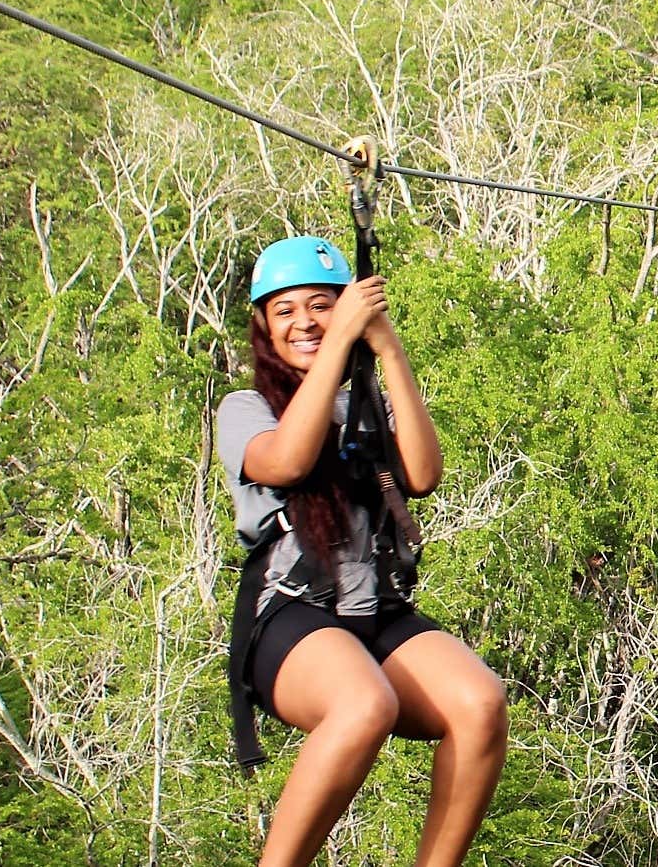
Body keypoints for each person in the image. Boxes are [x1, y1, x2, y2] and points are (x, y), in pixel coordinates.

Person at [217, 236, 507, 867]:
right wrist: (341, 333)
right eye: (286, 310)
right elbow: (289, 461)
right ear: (264, 326)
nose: (305, 323)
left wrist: (385, 345)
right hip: (292, 612)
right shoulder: (246, 409)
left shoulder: (362, 406)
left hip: (374, 608)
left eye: (321, 306)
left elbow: (423, 475)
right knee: (363, 703)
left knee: (480, 704)